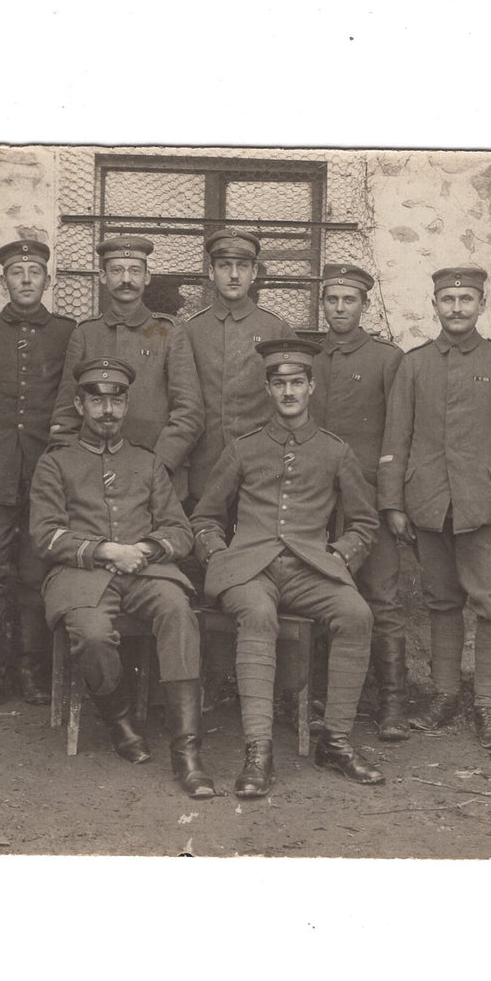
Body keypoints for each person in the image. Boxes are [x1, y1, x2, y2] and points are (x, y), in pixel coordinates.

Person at [191, 338, 384, 797]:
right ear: (268, 389)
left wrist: (341, 554)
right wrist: (217, 553)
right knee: (257, 615)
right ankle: (259, 753)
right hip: (248, 569)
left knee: (357, 615)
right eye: (279, 384)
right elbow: (205, 516)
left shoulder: (335, 451)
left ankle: (335, 742)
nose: (289, 392)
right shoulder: (244, 448)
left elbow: (364, 521)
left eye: (297, 382)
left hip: (308, 569)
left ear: (311, 386)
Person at [29, 358, 213, 797]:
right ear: (79, 404)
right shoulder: (56, 464)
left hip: (145, 569)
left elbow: (178, 530)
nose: (107, 409)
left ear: (127, 404)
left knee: (178, 613)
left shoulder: (146, 463)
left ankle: (187, 752)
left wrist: (143, 550)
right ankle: (120, 719)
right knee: (91, 635)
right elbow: (44, 534)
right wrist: (105, 550)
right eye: (97, 399)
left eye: (116, 399)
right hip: (81, 575)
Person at [380, 267, 491, 751]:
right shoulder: (415, 364)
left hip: (484, 506)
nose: (456, 308)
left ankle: (487, 705)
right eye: (447, 299)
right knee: (440, 601)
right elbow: (396, 437)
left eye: (466, 299)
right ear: (434, 305)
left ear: (481, 304)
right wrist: (393, 502)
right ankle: (445, 694)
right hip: (428, 503)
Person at [0, 240, 76, 714]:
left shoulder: (65, 333)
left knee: (35, 572)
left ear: (48, 280)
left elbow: (70, 401)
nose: (26, 279)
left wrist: (61, 466)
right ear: (3, 280)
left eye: (35, 272)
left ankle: (30, 667)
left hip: (45, 472)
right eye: (17, 272)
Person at [308, 264, 411, 741]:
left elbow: (399, 435)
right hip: (317, 502)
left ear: (364, 305)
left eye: (350, 300)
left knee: (382, 597)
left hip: (368, 500)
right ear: (322, 303)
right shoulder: (308, 356)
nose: (340, 308)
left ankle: (391, 702)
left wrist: (390, 502)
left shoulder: (387, 359)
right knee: (318, 594)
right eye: (332, 300)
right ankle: (318, 697)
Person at [48, 236, 203, 499]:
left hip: (160, 477)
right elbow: (66, 412)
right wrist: (71, 466)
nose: (126, 279)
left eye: (134, 270)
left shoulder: (168, 332)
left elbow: (189, 412)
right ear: (102, 276)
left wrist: (158, 465)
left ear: (147, 277)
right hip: (92, 479)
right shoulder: (86, 334)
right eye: (117, 270)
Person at [183, 228, 296, 504]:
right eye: (224, 266)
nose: (234, 275)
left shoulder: (275, 328)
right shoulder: (190, 330)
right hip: (204, 466)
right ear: (211, 273)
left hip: (261, 467)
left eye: (242, 266)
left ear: (254, 273)